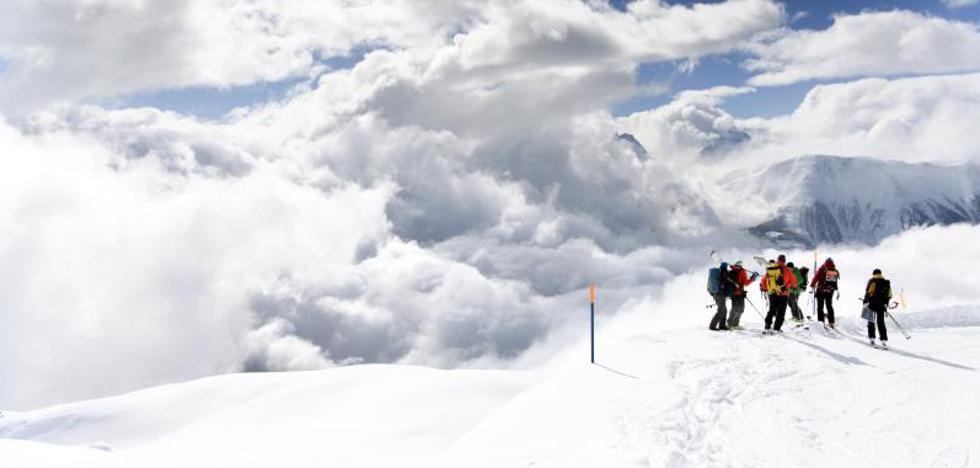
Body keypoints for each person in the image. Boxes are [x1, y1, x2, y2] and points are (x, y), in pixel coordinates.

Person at [761, 254, 798, 333]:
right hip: (783, 294)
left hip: (772, 293)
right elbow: (794, 283)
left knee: (771, 310)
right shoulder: (787, 270)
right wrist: (788, 286)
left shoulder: (771, 268)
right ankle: (777, 328)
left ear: (777, 260)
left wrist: (765, 288)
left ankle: (767, 325)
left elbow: (764, 280)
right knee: (781, 312)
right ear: (784, 261)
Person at [864, 268, 893, 348]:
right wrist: (885, 304)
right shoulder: (886, 282)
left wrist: (865, 302)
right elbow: (890, 295)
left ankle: (872, 338)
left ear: (873, 274)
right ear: (881, 273)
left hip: (871, 305)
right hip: (881, 306)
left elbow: (868, 293)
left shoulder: (872, 281)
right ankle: (883, 340)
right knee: (881, 323)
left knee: (871, 322)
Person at [726, 261, 758, 330]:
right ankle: (734, 324)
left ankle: (730, 324)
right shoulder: (742, 272)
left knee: (735, 309)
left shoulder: (732, 270)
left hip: (733, 293)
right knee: (740, 309)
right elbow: (746, 283)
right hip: (740, 294)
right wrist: (753, 278)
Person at [810, 258, 840, 328]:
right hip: (830, 291)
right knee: (829, 306)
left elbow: (816, 277)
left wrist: (812, 284)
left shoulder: (822, 269)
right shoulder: (834, 270)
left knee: (820, 306)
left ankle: (821, 322)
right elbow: (837, 278)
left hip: (821, 290)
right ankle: (831, 322)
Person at [708, 262, 733, 330]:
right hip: (720, 294)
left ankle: (722, 326)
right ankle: (712, 326)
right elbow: (724, 280)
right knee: (721, 310)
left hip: (715, 294)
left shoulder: (717, 272)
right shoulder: (723, 272)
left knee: (724, 310)